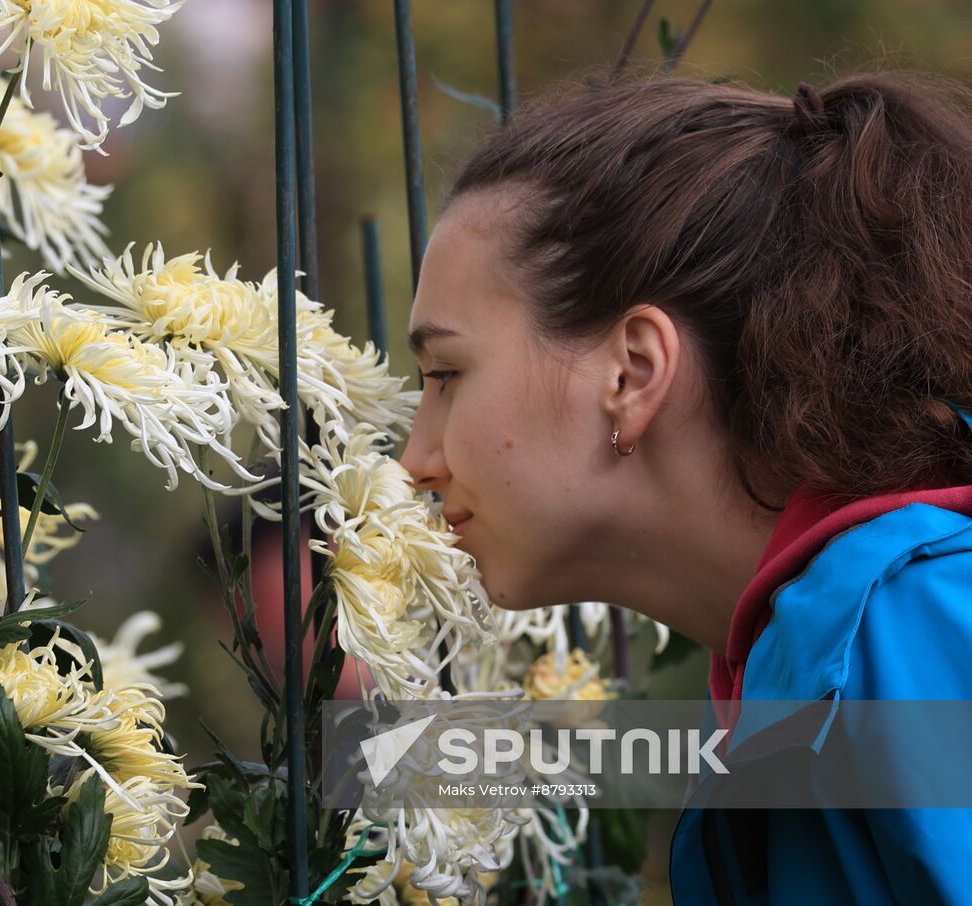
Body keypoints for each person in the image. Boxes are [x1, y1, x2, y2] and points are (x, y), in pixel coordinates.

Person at [398, 73, 972, 905]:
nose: (416, 458)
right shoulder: (804, 651)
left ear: (633, 371)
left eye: (446, 374)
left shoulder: (907, 616)